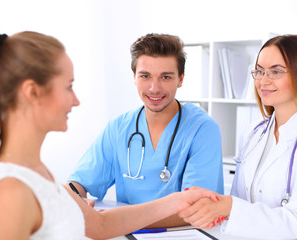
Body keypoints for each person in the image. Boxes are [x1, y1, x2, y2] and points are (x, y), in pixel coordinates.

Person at [0, 29, 219, 240]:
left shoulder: (39, 172)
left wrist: (178, 201)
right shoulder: (8, 193)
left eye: (165, 77)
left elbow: (100, 225)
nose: (76, 100)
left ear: (180, 79)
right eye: (68, 86)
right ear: (32, 92)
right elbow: (93, 210)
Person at [178, 34, 297, 239]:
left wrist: (228, 207)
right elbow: (239, 203)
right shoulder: (253, 132)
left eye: (276, 71)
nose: (263, 81)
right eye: (259, 71)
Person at [68, 33, 223, 227]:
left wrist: (112, 221)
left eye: (165, 77)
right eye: (145, 76)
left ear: (181, 79)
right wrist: (74, 200)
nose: (154, 88)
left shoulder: (202, 130)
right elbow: (78, 182)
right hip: (129, 233)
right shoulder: (118, 128)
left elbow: (196, 208)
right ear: (134, 77)